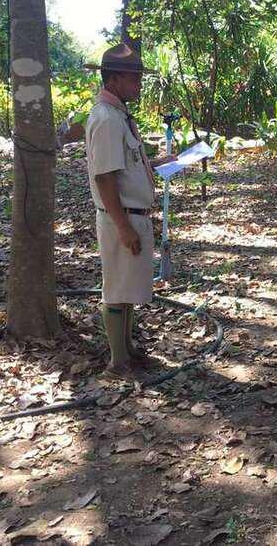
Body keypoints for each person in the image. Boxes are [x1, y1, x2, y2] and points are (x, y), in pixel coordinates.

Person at [83, 44, 175, 381]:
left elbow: (125, 166)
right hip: (119, 216)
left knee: (128, 288)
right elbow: (105, 177)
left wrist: (159, 163)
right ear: (115, 80)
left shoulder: (119, 116)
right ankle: (117, 362)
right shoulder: (107, 119)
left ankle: (128, 349)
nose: (138, 85)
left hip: (130, 214)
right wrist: (123, 227)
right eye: (134, 79)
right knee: (117, 290)